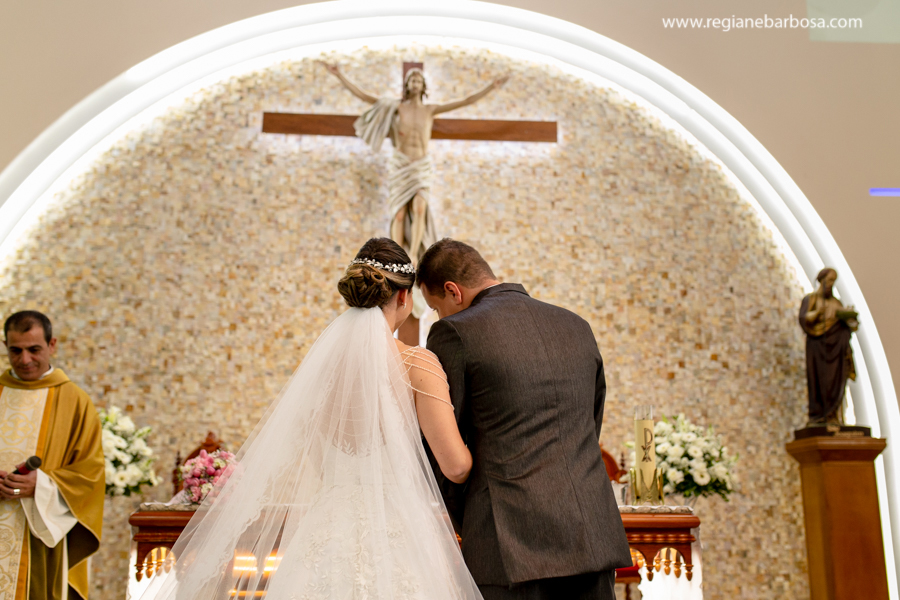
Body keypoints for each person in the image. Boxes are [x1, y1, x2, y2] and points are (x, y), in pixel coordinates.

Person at [141, 238, 482, 599]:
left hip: (326, 531)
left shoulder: (322, 370)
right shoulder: (418, 364)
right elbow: (455, 467)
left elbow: (320, 460)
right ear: (403, 297)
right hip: (398, 530)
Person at [417, 239, 632, 600]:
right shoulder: (576, 325)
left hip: (509, 544)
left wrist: (468, 519)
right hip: (592, 535)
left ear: (453, 291)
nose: (440, 318)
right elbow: (590, 424)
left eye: (437, 308)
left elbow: (443, 445)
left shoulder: (454, 333)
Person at [321, 62, 508, 335]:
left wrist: (491, 87)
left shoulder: (430, 110)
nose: (415, 83)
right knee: (398, 215)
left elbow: (463, 101)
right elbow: (363, 96)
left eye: (419, 80)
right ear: (407, 85)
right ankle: (400, 254)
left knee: (420, 207)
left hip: (420, 166)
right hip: (401, 165)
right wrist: (340, 76)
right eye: (412, 80)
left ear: (424, 86)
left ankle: (410, 257)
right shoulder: (395, 107)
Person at [0, 310, 105, 600]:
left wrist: (42, 485)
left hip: (38, 539)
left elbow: (89, 475)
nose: (24, 360)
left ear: (52, 345)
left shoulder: (74, 401)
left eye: (34, 349)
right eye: (15, 350)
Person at [798, 267, 858, 425]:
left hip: (836, 349)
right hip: (819, 349)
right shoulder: (811, 299)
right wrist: (818, 313)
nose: (831, 284)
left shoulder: (836, 303)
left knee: (836, 381)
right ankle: (819, 416)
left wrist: (850, 320)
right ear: (821, 280)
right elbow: (804, 319)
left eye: (833, 281)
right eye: (829, 280)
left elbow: (847, 325)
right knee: (820, 382)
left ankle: (834, 416)